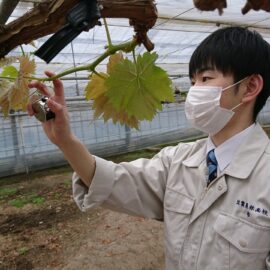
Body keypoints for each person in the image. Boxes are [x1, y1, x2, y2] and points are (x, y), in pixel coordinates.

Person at [28, 26, 270, 270]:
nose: (195, 91)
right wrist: (65, 140)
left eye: (206, 79)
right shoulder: (176, 160)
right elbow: (111, 181)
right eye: (193, 81)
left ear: (250, 88)